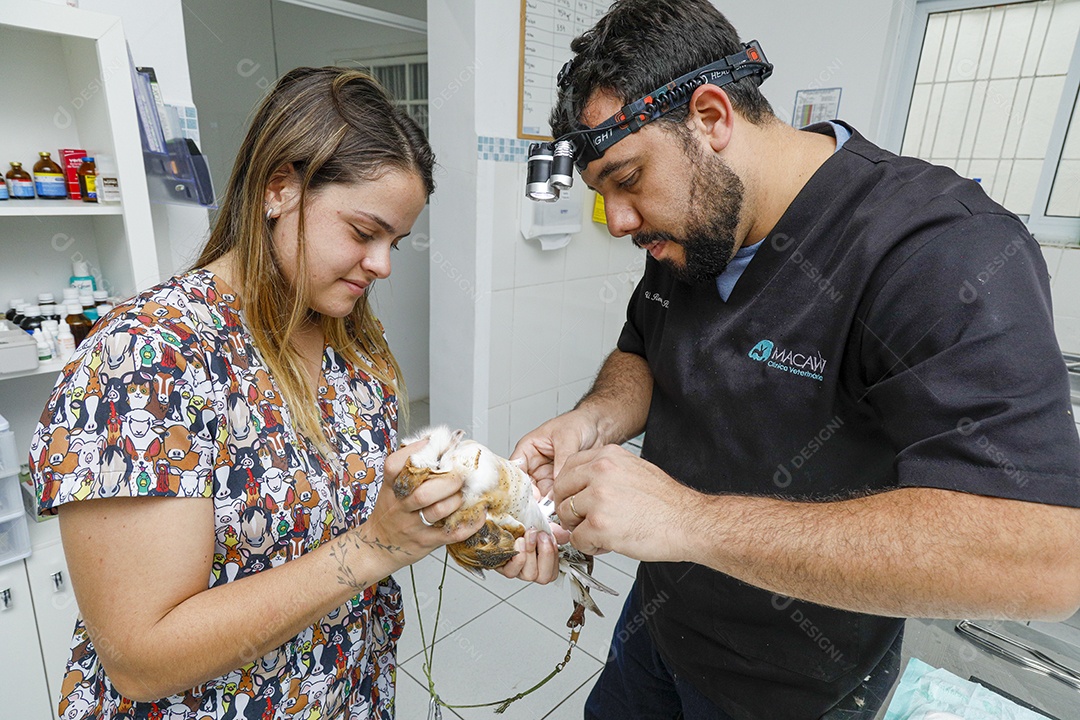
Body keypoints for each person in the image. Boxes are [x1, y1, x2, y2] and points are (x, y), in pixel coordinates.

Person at [500, 1, 1080, 718]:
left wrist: (688, 522)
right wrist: (589, 423)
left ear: (711, 119)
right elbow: (642, 354)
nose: (618, 221)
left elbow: (1044, 557)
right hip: (658, 630)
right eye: (603, 194)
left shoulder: (933, 248)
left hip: (798, 685)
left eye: (627, 179)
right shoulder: (691, 230)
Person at [29, 67, 484, 720]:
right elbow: (140, 658)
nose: (383, 264)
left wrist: (460, 509)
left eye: (395, 242)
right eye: (364, 232)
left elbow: (344, 500)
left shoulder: (352, 337)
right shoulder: (148, 357)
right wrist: (376, 547)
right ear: (279, 189)